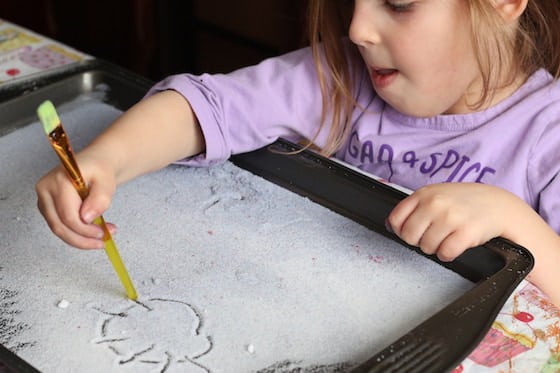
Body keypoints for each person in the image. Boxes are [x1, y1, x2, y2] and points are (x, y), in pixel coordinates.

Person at [36, 0, 560, 307]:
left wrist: (514, 220)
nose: (357, 29)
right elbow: (208, 108)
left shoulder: (549, 130)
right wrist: (105, 160)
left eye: (399, 2)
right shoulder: (338, 75)